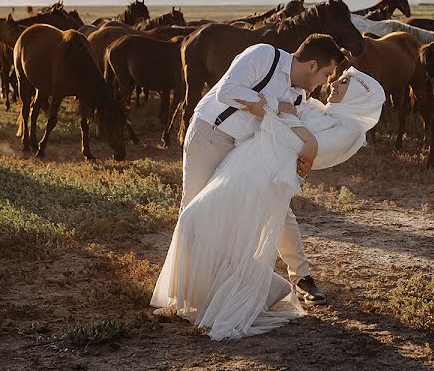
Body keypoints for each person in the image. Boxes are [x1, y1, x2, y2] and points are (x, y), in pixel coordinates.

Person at [150, 65, 386, 340]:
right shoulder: (323, 111)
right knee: (199, 220)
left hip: (265, 173)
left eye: (343, 82)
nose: (333, 84)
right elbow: (293, 118)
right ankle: (209, 294)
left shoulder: (351, 131)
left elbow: (304, 148)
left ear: (359, 94)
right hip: (246, 159)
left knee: (203, 220)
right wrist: (283, 114)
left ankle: (235, 295)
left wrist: (272, 115)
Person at [177, 34, 344, 304]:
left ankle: (301, 275)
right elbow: (227, 91)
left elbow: (298, 123)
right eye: (326, 74)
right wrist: (277, 106)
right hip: (210, 135)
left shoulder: (299, 96)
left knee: (278, 202)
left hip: (247, 148)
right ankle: (188, 289)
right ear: (312, 65)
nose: (325, 81)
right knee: (194, 209)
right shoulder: (264, 56)